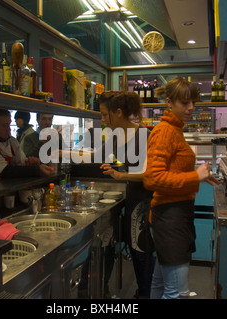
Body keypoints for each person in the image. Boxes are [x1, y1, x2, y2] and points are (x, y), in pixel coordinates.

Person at [142, 77, 221, 299]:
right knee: (177, 292)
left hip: (174, 214)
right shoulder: (165, 131)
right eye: (185, 103)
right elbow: (152, 179)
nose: (191, 108)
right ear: (169, 102)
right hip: (170, 216)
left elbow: (172, 171)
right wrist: (194, 176)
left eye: (193, 103)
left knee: (160, 283)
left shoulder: (174, 129)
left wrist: (199, 178)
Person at [98, 90, 155, 299]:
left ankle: (146, 294)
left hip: (144, 201)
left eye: (105, 115)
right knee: (135, 248)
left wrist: (121, 176)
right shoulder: (117, 136)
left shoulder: (144, 136)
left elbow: (149, 174)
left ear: (119, 112)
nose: (103, 119)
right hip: (132, 198)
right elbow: (100, 154)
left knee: (141, 251)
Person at [0, 107, 53, 184]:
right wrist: (36, 170)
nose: (9, 129)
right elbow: (4, 172)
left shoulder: (11, 141)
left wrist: (29, 162)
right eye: (4, 126)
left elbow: (21, 163)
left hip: (6, 190)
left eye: (9, 124)